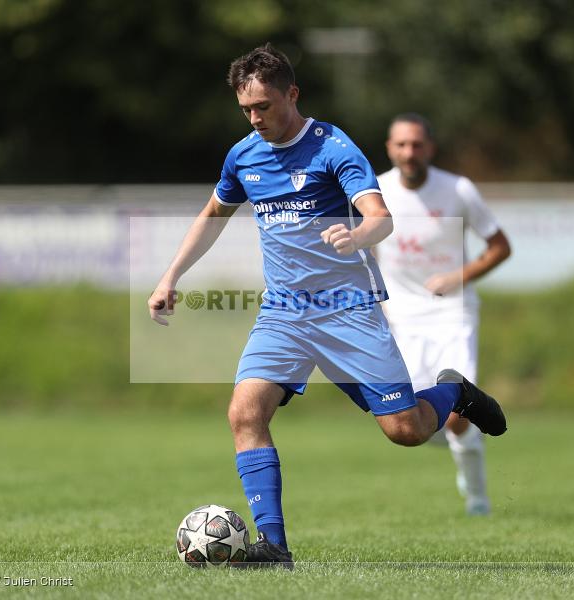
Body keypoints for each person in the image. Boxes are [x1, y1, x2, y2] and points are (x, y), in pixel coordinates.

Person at [148, 44, 507, 568]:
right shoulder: (243, 155)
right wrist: (171, 275)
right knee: (245, 413)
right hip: (284, 313)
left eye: (264, 107)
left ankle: (452, 387)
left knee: (405, 432)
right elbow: (214, 213)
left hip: (347, 309)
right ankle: (273, 547)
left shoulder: (332, 146)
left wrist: (358, 235)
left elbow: (380, 217)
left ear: (292, 95)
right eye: (246, 109)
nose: (255, 119)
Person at [375, 114, 511, 515]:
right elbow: (363, 250)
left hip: (454, 313)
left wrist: (457, 277)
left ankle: (477, 500)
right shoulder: (375, 191)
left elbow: (500, 246)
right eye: (401, 145)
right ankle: (465, 439)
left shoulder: (457, 190)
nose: (409, 152)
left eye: (416, 144)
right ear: (389, 148)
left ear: (430, 148)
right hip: (402, 319)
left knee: (455, 414)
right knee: (409, 420)